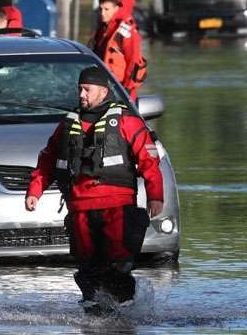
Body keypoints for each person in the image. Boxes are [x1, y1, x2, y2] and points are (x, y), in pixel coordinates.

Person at [25, 66, 163, 314]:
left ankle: (128, 316)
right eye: (79, 89)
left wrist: (155, 195)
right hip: (80, 209)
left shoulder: (126, 121)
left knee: (118, 265)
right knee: (87, 268)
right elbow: (47, 160)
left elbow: (149, 160)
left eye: (87, 89)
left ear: (103, 90)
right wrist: (34, 191)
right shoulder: (68, 124)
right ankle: (93, 313)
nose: (81, 95)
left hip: (117, 208)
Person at [89, 0, 147, 104]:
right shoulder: (103, 29)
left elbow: (133, 62)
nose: (102, 13)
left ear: (116, 9)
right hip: (104, 88)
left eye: (106, 9)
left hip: (122, 90)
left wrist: (127, 90)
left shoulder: (126, 31)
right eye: (100, 9)